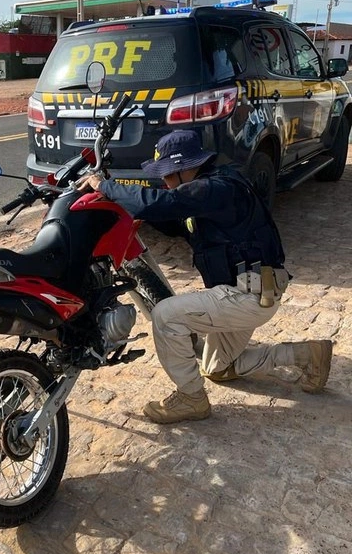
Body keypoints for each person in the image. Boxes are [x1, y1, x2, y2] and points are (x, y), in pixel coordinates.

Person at [78, 129, 332, 424]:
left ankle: (191, 398)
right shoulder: (211, 188)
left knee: (166, 316)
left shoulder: (218, 187)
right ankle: (308, 355)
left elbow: (163, 203)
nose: (164, 180)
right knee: (216, 368)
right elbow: (180, 222)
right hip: (248, 292)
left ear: (184, 168)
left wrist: (105, 185)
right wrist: (145, 216)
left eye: (167, 174)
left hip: (246, 296)